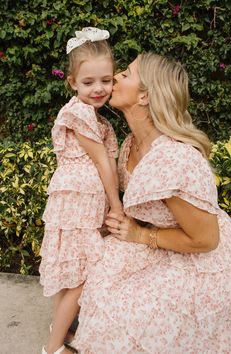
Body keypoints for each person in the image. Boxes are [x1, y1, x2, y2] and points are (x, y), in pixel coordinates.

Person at [72, 52, 231, 353]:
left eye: (127, 74)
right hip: (160, 241)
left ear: (145, 96)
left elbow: (206, 239)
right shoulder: (130, 145)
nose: (116, 76)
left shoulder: (174, 159)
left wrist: (140, 235)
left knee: (132, 309)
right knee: (99, 266)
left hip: (200, 260)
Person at [39, 27, 123, 354]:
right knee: (80, 276)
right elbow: (103, 162)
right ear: (73, 82)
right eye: (88, 83)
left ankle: (59, 328)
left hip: (83, 202)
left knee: (72, 273)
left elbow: (110, 162)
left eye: (106, 80)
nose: (99, 89)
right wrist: (116, 206)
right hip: (76, 203)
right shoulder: (77, 112)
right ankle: (52, 348)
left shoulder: (99, 120)